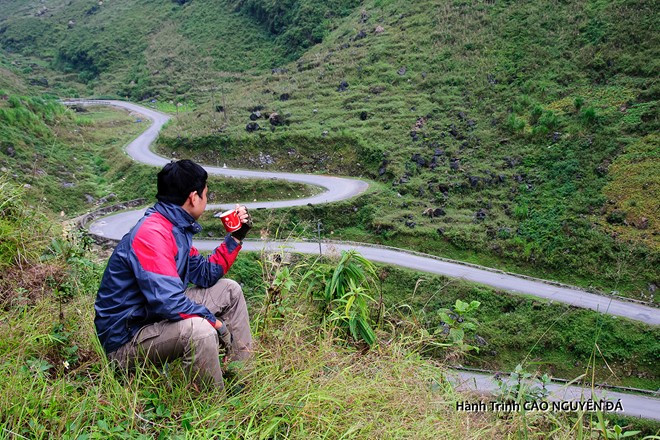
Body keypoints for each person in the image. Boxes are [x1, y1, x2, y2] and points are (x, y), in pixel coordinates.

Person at [94, 159, 253, 389]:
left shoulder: (174, 228)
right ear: (193, 197)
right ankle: (212, 408)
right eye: (206, 195)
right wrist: (215, 323)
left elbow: (205, 274)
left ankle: (240, 379)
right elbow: (170, 304)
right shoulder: (152, 234)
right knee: (200, 331)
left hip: (150, 317)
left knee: (230, 291)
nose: (206, 202)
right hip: (127, 340)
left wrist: (237, 236)